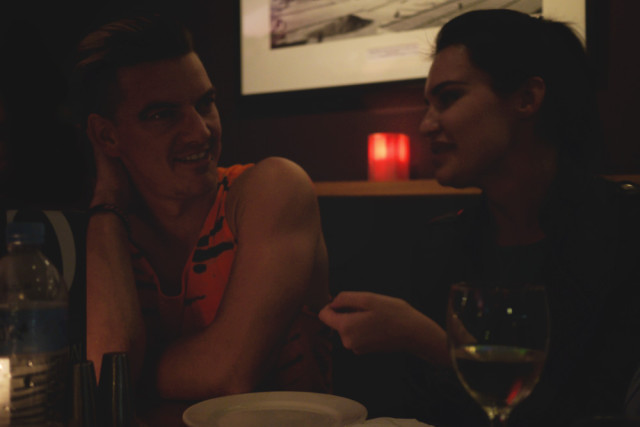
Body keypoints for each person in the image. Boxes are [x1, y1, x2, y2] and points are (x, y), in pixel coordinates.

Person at [320, 9, 640, 427]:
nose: (425, 125)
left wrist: (434, 344)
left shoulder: (623, 231)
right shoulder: (443, 243)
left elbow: (593, 411)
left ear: (527, 98)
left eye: (449, 98)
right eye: (428, 104)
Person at [71, 13, 331, 404]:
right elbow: (103, 387)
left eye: (205, 103)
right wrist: (107, 199)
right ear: (107, 136)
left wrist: (130, 377)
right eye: (163, 114)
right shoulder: (103, 232)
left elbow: (230, 374)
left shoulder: (273, 188)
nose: (200, 131)